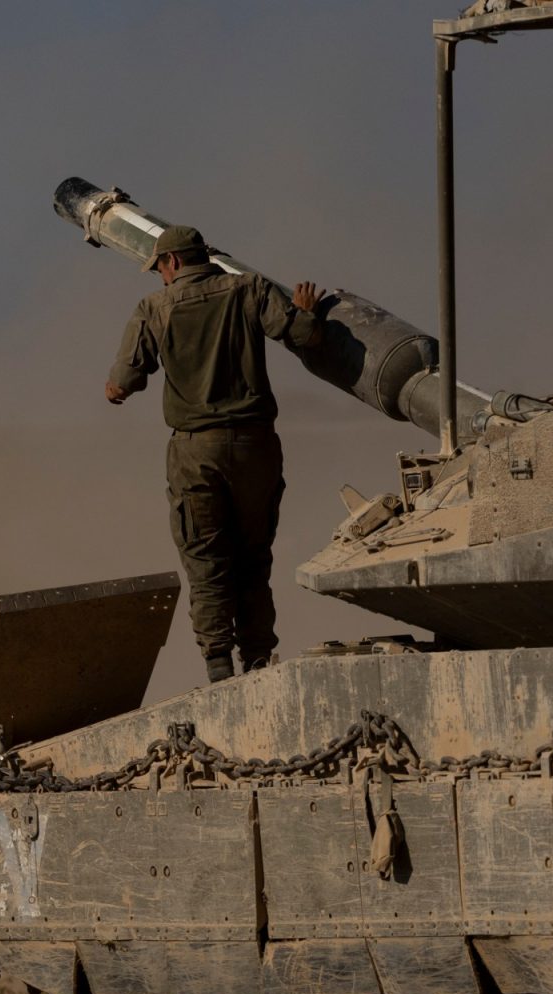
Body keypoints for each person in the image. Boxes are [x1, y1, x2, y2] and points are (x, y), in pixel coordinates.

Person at [104, 224, 326, 683]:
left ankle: (219, 668)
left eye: (160, 268)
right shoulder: (249, 289)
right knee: (254, 561)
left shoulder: (155, 307)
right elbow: (303, 336)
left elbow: (121, 384)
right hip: (255, 447)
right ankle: (259, 662)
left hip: (196, 453)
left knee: (207, 562)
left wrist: (117, 387)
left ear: (172, 262)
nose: (161, 276)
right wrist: (305, 313)